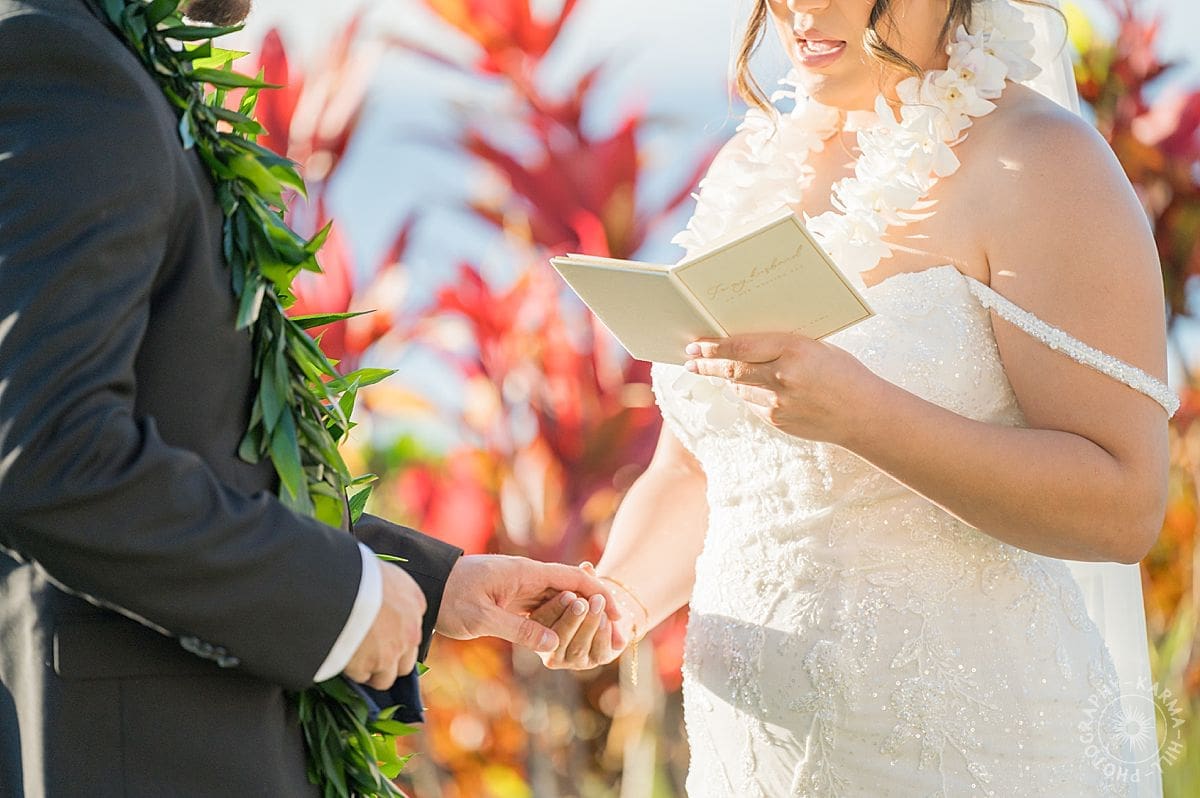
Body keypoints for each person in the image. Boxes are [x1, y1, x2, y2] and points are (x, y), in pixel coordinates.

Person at [531, 1, 1176, 795]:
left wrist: (865, 418)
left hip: (967, 752)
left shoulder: (1042, 162)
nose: (805, 7)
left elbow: (1125, 503)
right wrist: (618, 598)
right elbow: (700, 469)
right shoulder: (752, 169)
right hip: (752, 759)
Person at [0, 0, 617, 795]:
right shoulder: (63, 64)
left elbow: (193, 440)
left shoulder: (102, 60)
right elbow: (47, 452)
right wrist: (345, 599)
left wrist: (430, 584)